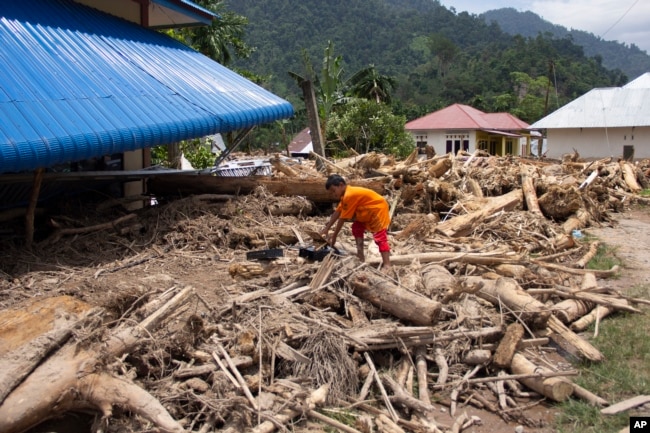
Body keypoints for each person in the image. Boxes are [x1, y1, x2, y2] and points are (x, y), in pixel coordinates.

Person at [320, 174, 391, 269]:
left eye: (334, 191)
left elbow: (342, 218)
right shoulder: (344, 195)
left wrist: (335, 236)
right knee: (357, 227)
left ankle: (387, 265)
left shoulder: (349, 195)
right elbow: (337, 212)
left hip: (377, 210)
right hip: (366, 211)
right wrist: (326, 228)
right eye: (331, 193)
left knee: (380, 237)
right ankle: (360, 256)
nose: (333, 194)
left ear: (341, 185)